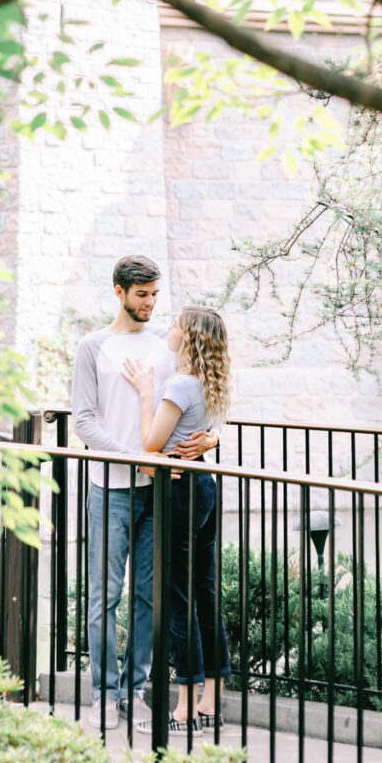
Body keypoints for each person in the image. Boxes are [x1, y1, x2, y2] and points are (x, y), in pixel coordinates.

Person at [72, 257, 218, 730]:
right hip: (110, 489)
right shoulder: (93, 346)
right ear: (119, 292)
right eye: (142, 295)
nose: (151, 303)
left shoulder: (166, 344)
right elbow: (83, 421)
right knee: (104, 597)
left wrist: (215, 436)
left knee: (148, 599)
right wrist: (131, 456)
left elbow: (203, 390)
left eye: (155, 294)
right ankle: (102, 694)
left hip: (161, 493)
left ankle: (135, 692)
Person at [121, 304, 232, 736]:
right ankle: (211, 698)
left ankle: (185, 707)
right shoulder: (208, 383)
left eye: (177, 325)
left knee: (176, 598)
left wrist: (149, 394)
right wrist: (213, 436)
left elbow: (151, 442)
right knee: (204, 591)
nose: (169, 328)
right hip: (204, 484)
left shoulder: (180, 386)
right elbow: (201, 432)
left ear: (188, 338)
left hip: (181, 492)